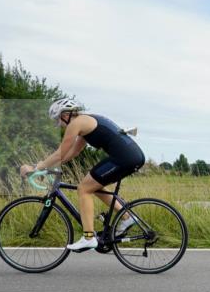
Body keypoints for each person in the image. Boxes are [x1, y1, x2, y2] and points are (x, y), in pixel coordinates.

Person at [20, 98, 145, 252]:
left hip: (124, 158)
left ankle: (88, 237)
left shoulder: (76, 124)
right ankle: (127, 217)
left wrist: (35, 167)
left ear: (66, 114)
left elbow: (60, 153)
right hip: (131, 156)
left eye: (58, 119)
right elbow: (73, 152)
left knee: (83, 188)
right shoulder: (86, 122)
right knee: (94, 186)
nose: (59, 124)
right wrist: (48, 167)